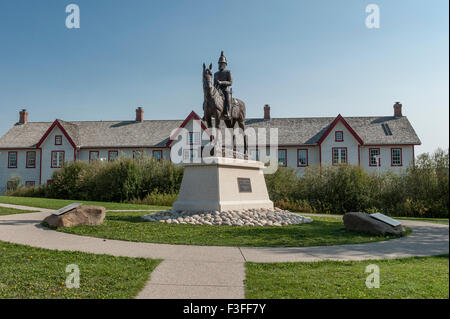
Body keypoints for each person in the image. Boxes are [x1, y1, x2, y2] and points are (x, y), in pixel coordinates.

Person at [214, 51, 233, 119]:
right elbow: (214, 84)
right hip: (217, 90)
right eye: (219, 63)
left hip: (225, 89)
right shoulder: (215, 74)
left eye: (222, 63)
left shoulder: (228, 72)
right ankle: (207, 111)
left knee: (227, 96)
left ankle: (227, 112)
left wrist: (221, 83)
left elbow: (230, 82)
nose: (220, 65)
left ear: (225, 64)